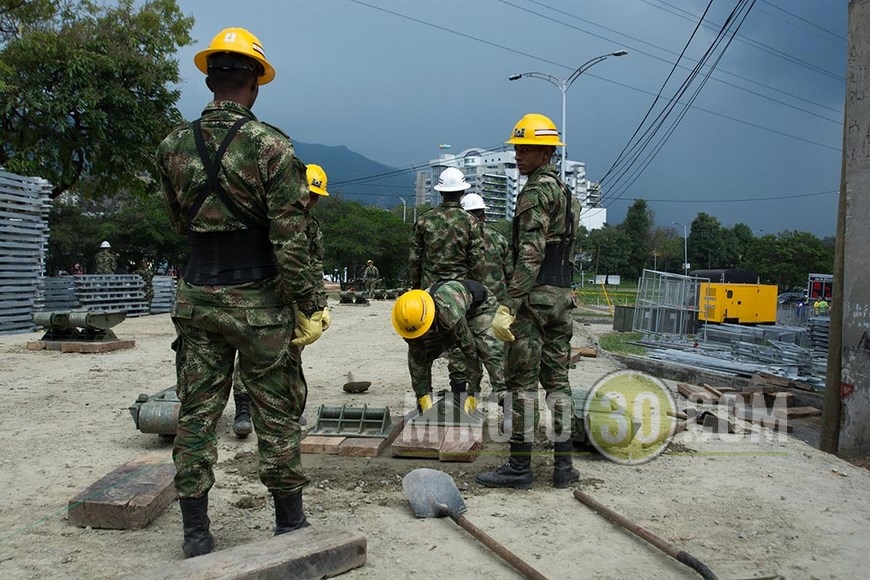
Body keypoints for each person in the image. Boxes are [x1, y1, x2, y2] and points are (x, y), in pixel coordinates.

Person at [156, 27, 322, 558]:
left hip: (198, 295)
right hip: (259, 302)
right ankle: (289, 525)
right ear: (254, 83)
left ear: (210, 79)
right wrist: (310, 304)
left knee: (197, 415)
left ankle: (196, 535)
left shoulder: (171, 145)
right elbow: (290, 239)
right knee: (277, 412)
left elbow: (178, 220)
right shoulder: (272, 145)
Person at [476, 113, 581, 490]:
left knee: (521, 383)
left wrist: (511, 302)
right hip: (561, 296)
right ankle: (563, 467)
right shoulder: (566, 192)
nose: (518, 155)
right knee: (558, 382)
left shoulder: (535, 191)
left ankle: (519, 468)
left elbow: (532, 252)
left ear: (545, 151)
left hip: (534, 299)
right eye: (517, 148)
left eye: (526, 148)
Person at [230, 163, 332, 439]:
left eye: (315, 197)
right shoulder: (268, 218)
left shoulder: (312, 228)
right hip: (260, 297)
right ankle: (243, 410)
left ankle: (291, 414)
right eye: (307, 194)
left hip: (294, 300)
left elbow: (314, 267)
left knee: (292, 356)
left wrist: (318, 306)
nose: (309, 201)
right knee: (250, 354)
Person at [392, 282, 501, 415]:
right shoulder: (408, 322)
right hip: (449, 312)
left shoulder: (449, 315)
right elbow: (417, 362)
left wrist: (473, 392)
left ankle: (511, 412)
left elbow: (470, 353)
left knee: (491, 353)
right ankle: (426, 406)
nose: (420, 337)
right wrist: (423, 397)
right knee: (423, 354)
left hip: (480, 307)